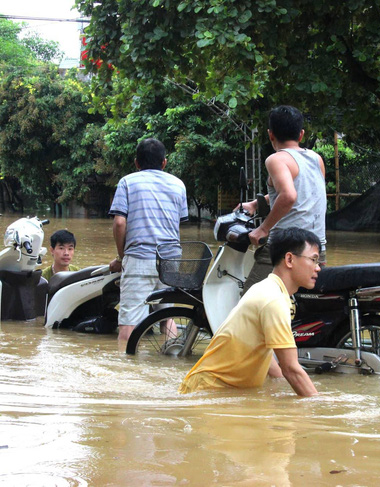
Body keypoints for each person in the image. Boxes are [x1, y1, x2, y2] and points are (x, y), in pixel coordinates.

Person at [179, 227, 320, 397]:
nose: (318, 268)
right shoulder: (273, 299)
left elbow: (267, 354)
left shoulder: (269, 290)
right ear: (289, 259)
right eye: (313, 259)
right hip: (209, 393)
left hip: (214, 390)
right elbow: (291, 368)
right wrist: (319, 408)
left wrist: (279, 386)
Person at [108, 137, 188, 342]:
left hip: (139, 258)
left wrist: (122, 257)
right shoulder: (178, 185)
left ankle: (127, 370)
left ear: (136, 163)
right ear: (164, 162)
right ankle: (171, 356)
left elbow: (119, 223)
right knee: (166, 315)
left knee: (129, 321)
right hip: (170, 259)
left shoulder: (127, 182)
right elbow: (176, 224)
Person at [241, 105, 327, 292]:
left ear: (271, 135)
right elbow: (304, 191)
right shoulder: (316, 158)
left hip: (285, 248)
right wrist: (256, 204)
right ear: (301, 134)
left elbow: (288, 195)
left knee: (249, 300)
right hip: (316, 248)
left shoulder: (276, 159)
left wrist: (263, 229)